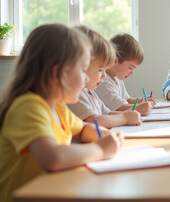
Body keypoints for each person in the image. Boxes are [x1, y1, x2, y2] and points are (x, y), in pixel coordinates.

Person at [0, 24, 124, 202]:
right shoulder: (28, 107)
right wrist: (99, 149)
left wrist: (101, 134)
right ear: (58, 73)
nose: (87, 78)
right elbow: (52, 158)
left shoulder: (58, 107)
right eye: (82, 70)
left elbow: (81, 130)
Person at [68, 26, 142, 128]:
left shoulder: (90, 93)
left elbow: (107, 113)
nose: (104, 75)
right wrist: (125, 118)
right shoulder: (76, 94)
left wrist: (130, 115)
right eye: (100, 70)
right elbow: (95, 121)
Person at [95, 33, 155, 115]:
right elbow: (120, 108)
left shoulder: (117, 79)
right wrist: (140, 108)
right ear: (114, 60)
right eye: (130, 68)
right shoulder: (103, 82)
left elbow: (127, 100)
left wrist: (142, 101)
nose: (132, 72)